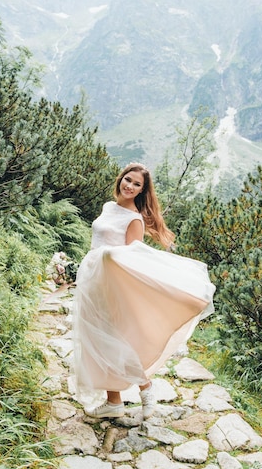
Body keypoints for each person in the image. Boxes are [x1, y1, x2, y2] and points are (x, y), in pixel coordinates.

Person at [72, 162, 215, 420]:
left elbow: (133, 259)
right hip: (92, 280)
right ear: (121, 179)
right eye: (128, 180)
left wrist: (104, 255)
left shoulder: (134, 219)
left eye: (137, 184)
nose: (130, 186)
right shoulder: (108, 207)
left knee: (117, 340)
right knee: (96, 339)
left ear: (142, 191)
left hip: (111, 285)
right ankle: (113, 402)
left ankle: (146, 388)